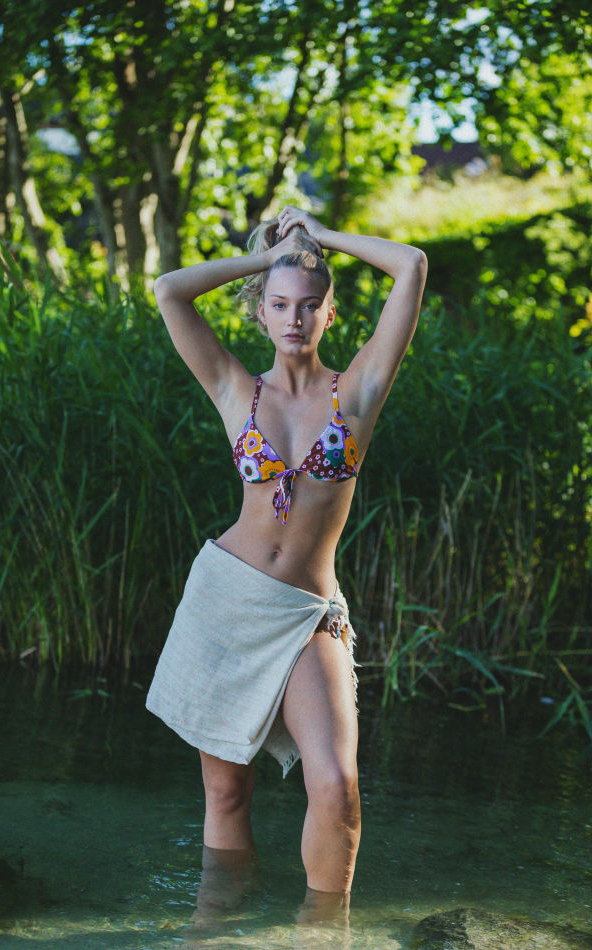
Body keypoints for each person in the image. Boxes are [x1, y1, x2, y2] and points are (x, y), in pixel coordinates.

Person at [146, 206, 427, 913]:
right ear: (261, 313)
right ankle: (216, 926)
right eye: (278, 305)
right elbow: (169, 290)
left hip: (305, 613)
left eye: (307, 305)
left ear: (330, 312)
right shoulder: (236, 390)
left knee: (336, 783)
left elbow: (411, 265)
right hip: (226, 601)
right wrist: (268, 258)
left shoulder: (357, 392)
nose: (293, 319)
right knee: (225, 790)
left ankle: (322, 932)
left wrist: (321, 239)